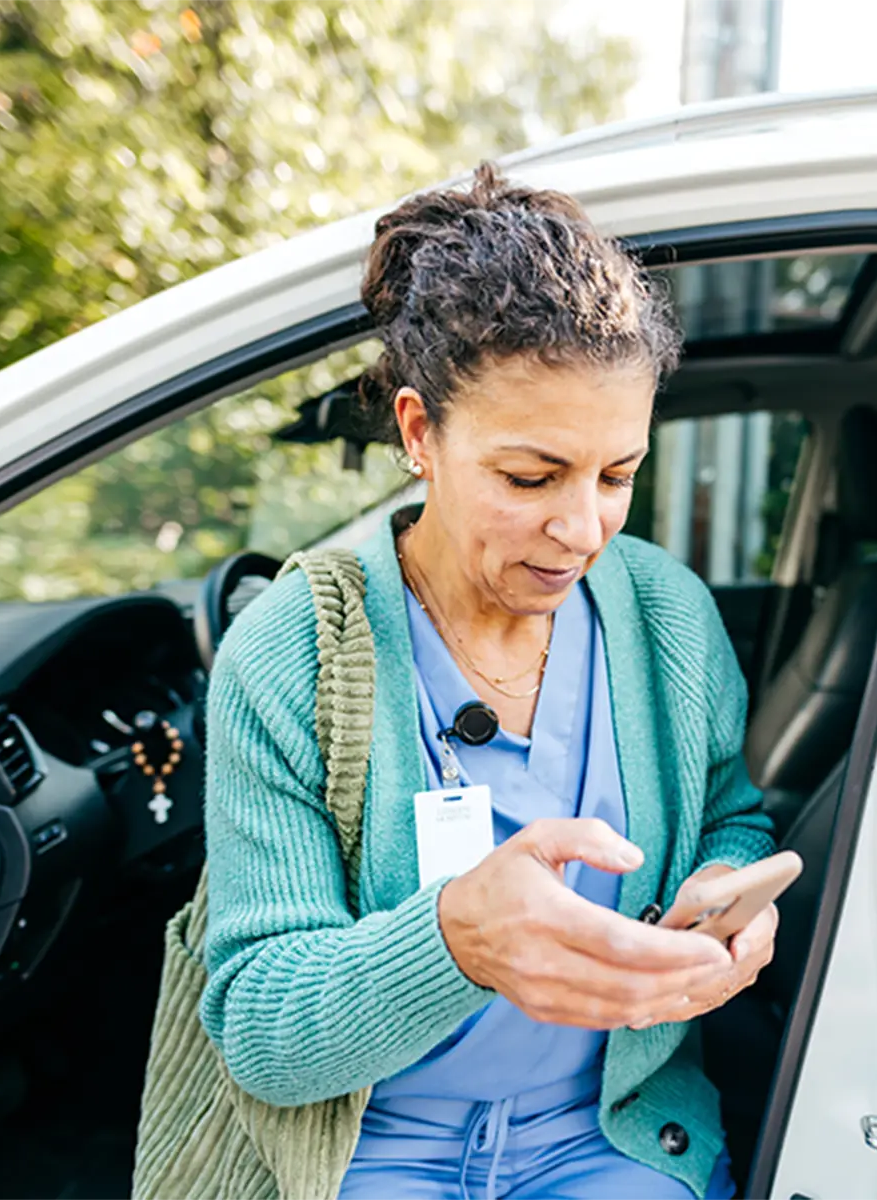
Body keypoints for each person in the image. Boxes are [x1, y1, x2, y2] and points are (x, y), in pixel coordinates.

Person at [199, 164, 779, 1200]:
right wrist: (456, 940)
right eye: (529, 477)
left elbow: (732, 817)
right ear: (420, 435)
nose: (581, 529)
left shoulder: (668, 617)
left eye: (616, 476)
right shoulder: (293, 649)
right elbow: (263, 1032)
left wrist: (724, 896)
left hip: (611, 1140)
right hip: (365, 1155)